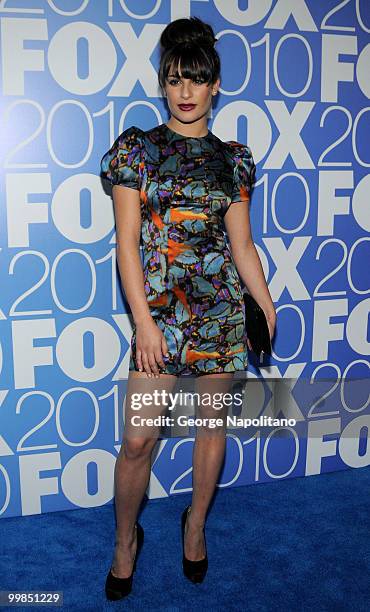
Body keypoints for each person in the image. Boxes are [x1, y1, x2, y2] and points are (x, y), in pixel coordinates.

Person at [100, 16, 276, 601]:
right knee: (138, 442)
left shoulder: (233, 159)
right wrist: (143, 324)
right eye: (174, 78)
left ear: (215, 85)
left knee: (211, 429)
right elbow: (127, 243)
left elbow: (241, 244)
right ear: (162, 81)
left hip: (222, 314)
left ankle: (194, 526)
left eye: (196, 80)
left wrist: (265, 301)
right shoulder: (139, 149)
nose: (184, 91)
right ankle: (126, 542)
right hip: (159, 319)